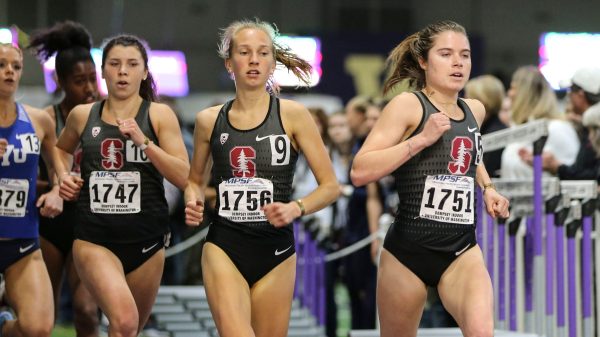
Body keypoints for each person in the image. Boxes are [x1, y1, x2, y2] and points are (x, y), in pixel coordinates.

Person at [350, 21, 510, 337]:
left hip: (462, 249)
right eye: (446, 54)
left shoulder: (474, 109)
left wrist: (488, 187)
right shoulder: (408, 105)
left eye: (464, 55)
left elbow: (468, 152)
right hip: (408, 250)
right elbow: (359, 171)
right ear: (424, 61)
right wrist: (419, 141)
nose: (458, 63)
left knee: (482, 332)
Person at [184, 19, 339, 337]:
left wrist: (296, 208)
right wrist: (193, 198)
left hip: (276, 251)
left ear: (272, 64)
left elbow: (331, 187)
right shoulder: (208, 120)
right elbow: (194, 180)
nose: (254, 59)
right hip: (224, 245)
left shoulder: (294, 115)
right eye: (244, 52)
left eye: (263, 53)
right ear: (230, 64)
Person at [55, 35, 189, 337]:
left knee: (128, 330)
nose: (123, 71)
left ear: (144, 72)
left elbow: (184, 176)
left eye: (132, 64)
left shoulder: (159, 114)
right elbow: (61, 150)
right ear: (103, 71)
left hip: (148, 242)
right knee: (125, 321)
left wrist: (145, 144)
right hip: (94, 239)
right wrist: (63, 177)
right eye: (114, 64)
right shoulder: (82, 115)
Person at [28, 20, 100, 336]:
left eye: (92, 79)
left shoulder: (106, 120)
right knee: (47, 314)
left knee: (86, 311)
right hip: (49, 223)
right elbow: (29, 178)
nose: (88, 89)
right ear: (60, 81)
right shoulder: (47, 120)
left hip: (88, 221)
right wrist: (54, 187)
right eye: (79, 81)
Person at [0, 42, 62, 337]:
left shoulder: (39, 121)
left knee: (37, 328)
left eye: (15, 66)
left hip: (22, 242)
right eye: (1, 65)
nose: (9, 72)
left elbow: (60, 171)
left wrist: (56, 192)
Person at [519, 67, 600, 179]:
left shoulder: (595, 128)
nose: (568, 97)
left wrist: (557, 166)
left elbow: (594, 177)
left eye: (570, 91)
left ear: (580, 95)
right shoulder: (588, 126)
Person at [501, 65, 579, 178]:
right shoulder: (518, 128)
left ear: (526, 94)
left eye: (513, 88)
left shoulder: (557, 129)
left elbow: (573, 176)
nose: (509, 93)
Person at [464, 75, 508, 177]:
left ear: (482, 101)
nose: (463, 102)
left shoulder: (496, 134)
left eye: (467, 98)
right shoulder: (481, 128)